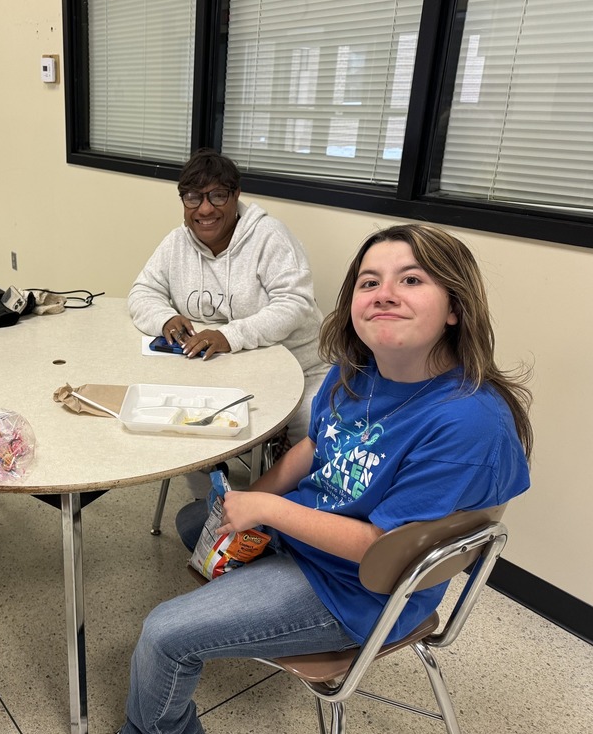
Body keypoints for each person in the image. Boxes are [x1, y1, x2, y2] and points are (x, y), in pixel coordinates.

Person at [119, 223, 533, 734]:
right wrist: (254, 498)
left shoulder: (467, 423)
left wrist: (270, 511)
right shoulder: (358, 368)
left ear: (454, 307)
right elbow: (315, 445)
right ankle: (248, 595)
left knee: (163, 634)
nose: (384, 295)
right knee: (195, 519)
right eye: (368, 282)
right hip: (311, 537)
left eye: (410, 280)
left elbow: (385, 549)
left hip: (357, 589)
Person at [128, 148, 328, 448]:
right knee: (182, 426)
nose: (205, 209)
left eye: (217, 196)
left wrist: (228, 335)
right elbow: (143, 291)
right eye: (193, 197)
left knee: (311, 436)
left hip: (300, 372)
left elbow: (295, 303)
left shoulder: (269, 236)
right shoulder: (176, 242)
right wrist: (165, 318)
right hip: (221, 372)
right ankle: (216, 485)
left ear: (236, 196)